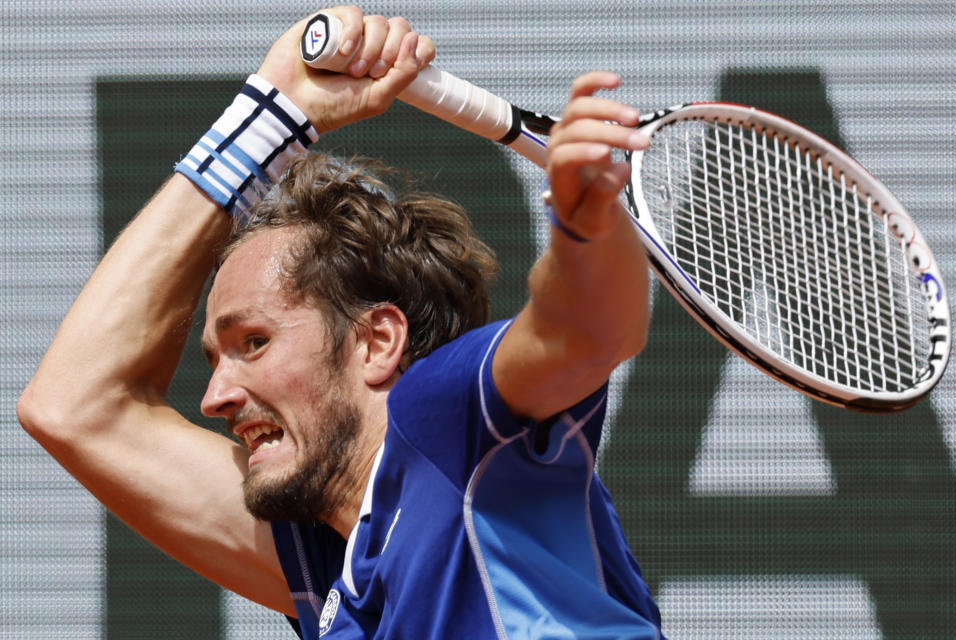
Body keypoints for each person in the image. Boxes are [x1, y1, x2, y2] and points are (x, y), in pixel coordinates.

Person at [18, 6, 661, 639]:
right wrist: (271, 114)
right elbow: (73, 406)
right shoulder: (326, 561)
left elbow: (588, 331)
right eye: (215, 359)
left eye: (255, 342)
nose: (214, 399)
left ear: (377, 341)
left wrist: (587, 230)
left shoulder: (448, 422)